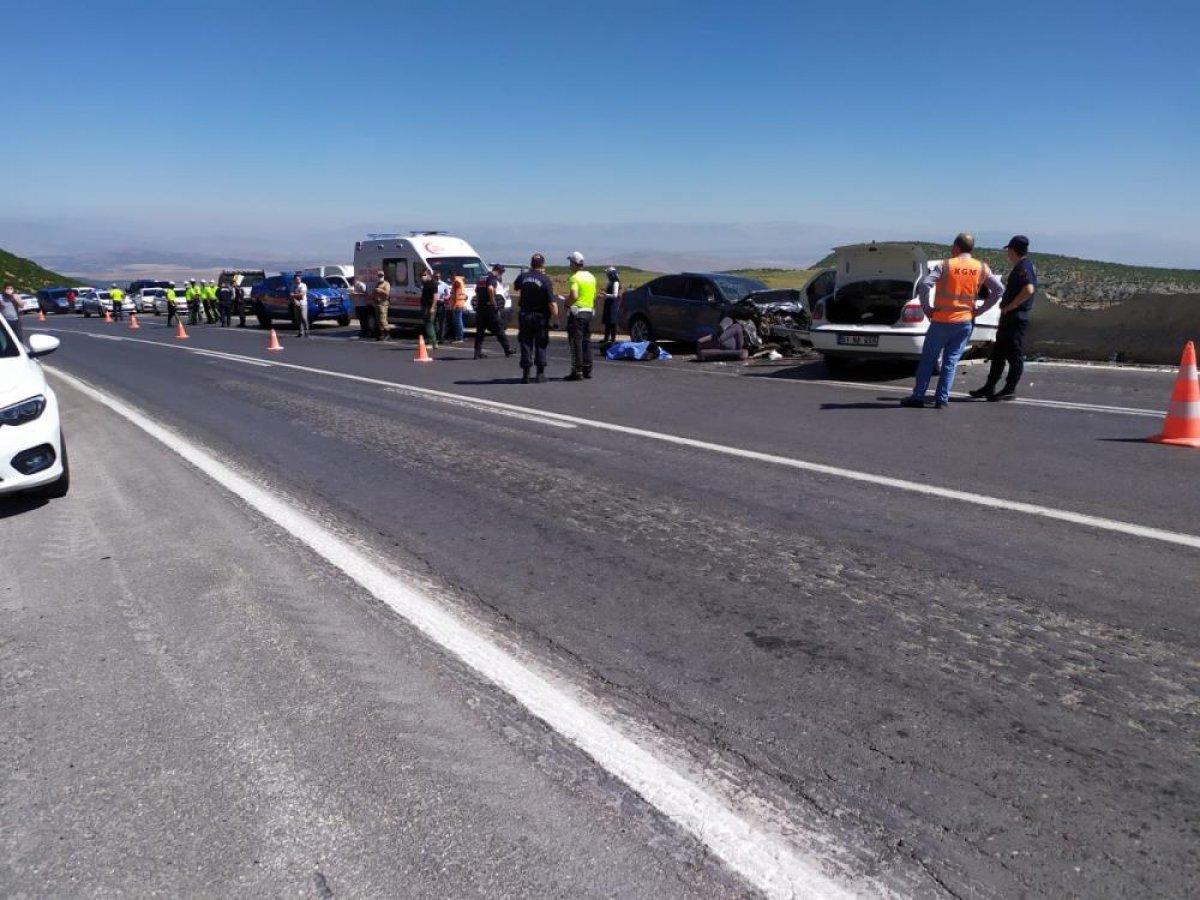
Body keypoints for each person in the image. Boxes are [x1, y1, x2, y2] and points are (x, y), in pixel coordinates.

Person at [901, 233, 1003, 409]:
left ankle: (918, 396)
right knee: (950, 362)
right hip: (964, 322)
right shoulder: (981, 267)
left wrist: (927, 308)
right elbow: (999, 290)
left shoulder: (945, 265)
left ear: (956, 247)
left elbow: (925, 285)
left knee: (928, 359)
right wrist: (980, 310)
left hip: (941, 321)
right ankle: (942, 399)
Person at [969, 235, 1037, 401]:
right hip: (1010, 318)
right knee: (998, 354)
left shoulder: (1023, 267)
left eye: (1009, 250)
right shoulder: (1023, 266)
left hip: (1015, 318)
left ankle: (1009, 388)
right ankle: (989, 387)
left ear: (1013, 250)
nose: (1007, 253)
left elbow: (1029, 289)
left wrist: (1011, 306)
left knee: (1014, 355)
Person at [514, 253, 557, 383]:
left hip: (525, 314)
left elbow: (516, 286)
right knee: (541, 343)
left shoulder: (523, 276)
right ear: (543, 264)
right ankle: (540, 374)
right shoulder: (545, 279)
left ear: (531, 264)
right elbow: (551, 302)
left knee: (526, 343)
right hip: (540, 316)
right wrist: (555, 318)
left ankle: (526, 374)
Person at [563, 250, 596, 381]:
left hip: (577, 313)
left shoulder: (574, 278)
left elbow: (574, 295)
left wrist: (566, 303)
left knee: (575, 341)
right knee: (586, 340)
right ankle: (588, 368)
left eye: (570, 263)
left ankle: (577, 371)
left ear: (574, 264)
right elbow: (593, 295)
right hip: (589, 312)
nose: (569, 265)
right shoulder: (591, 276)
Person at [473, 263, 513, 359]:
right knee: (499, 329)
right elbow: (490, 289)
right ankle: (507, 349)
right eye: (502, 273)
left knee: (480, 332)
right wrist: (493, 303)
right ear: (499, 271)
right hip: (489, 308)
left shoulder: (482, 278)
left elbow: (476, 291)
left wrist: (478, 303)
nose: (501, 275)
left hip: (480, 308)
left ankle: (477, 353)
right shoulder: (492, 277)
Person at [418, 266, 440, 350]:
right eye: (421, 275)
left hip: (429, 306)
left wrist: (432, 307)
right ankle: (433, 342)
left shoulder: (432, 284)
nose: (422, 277)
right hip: (425, 306)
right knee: (428, 324)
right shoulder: (425, 284)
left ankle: (432, 342)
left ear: (429, 275)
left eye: (424, 275)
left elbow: (435, 297)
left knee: (429, 324)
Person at [601, 266, 621, 349]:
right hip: (609, 303)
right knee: (608, 322)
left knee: (612, 322)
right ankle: (606, 338)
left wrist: (606, 295)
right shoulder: (610, 282)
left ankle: (613, 340)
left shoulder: (616, 282)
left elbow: (615, 295)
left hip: (613, 304)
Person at [372, 269, 391, 340]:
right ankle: (382, 334)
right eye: (379, 276)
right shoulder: (377, 284)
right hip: (377, 303)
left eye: (381, 275)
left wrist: (380, 290)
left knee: (383, 319)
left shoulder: (386, 284)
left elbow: (387, 293)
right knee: (378, 319)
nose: (380, 277)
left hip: (383, 303)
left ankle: (387, 334)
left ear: (383, 276)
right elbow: (374, 292)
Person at [448, 274, 467, 343]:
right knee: (459, 321)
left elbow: (456, 295)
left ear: (452, 277)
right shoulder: (460, 281)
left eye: (450, 278)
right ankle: (460, 336)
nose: (449, 280)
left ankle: (459, 338)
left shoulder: (456, 282)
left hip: (457, 304)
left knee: (457, 321)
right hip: (460, 303)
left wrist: (453, 305)